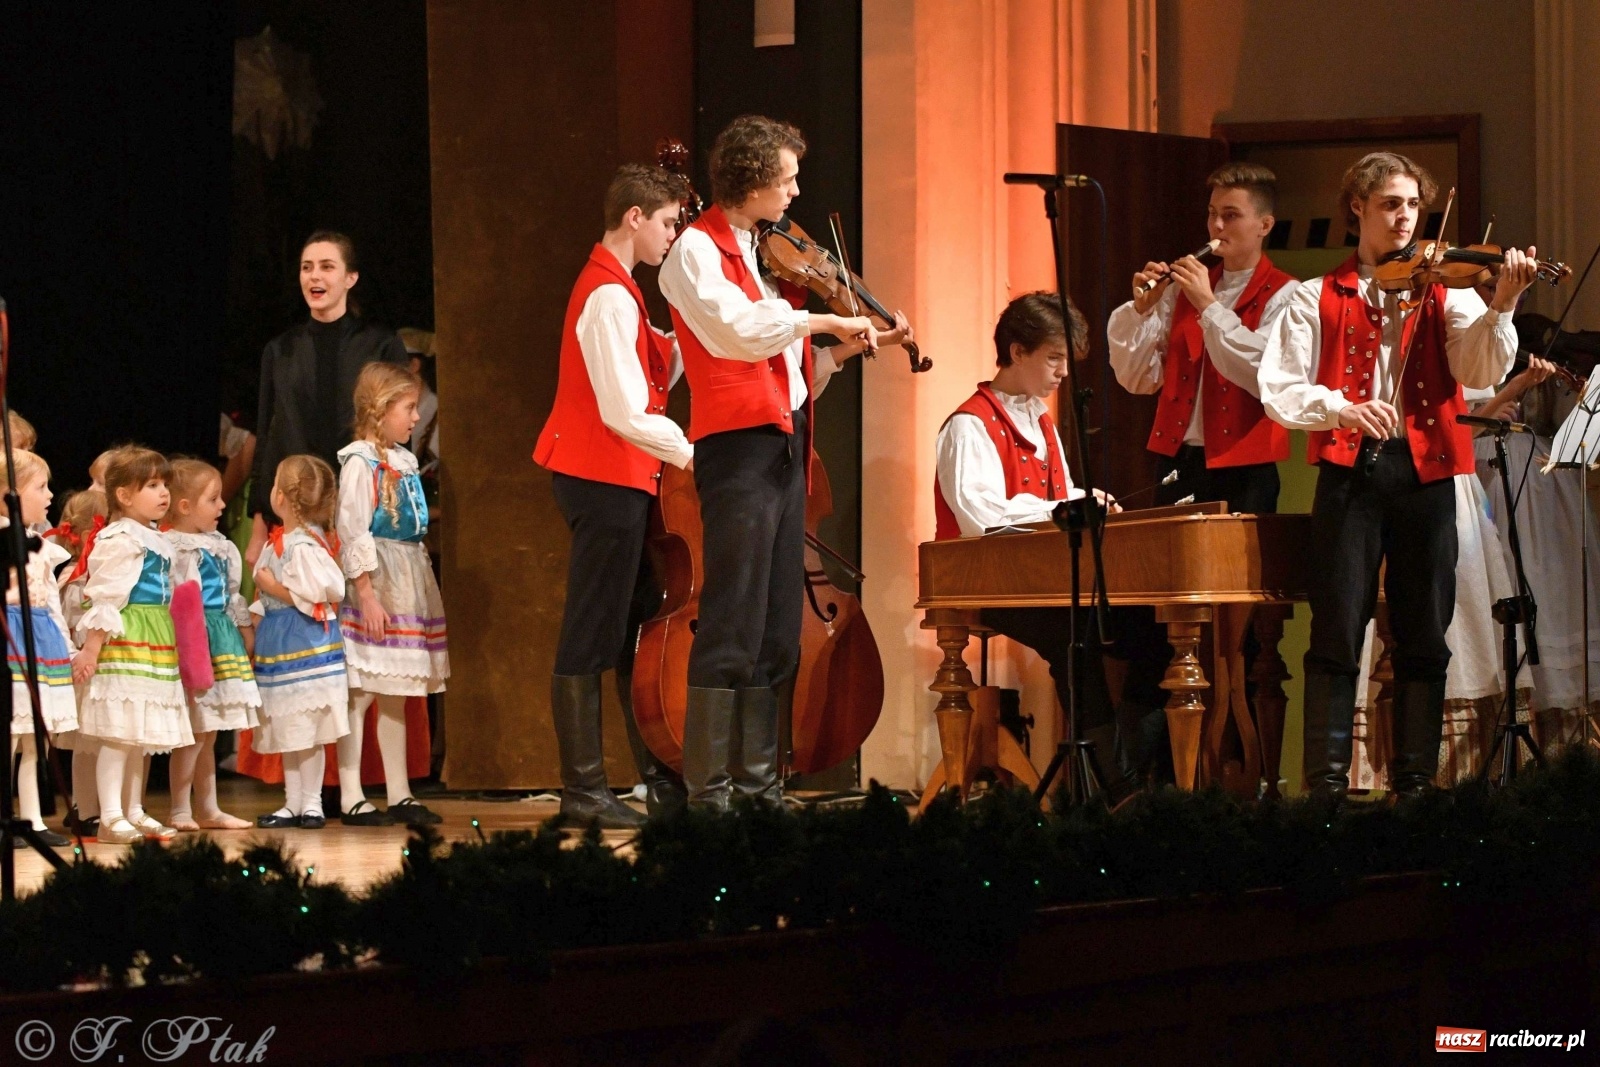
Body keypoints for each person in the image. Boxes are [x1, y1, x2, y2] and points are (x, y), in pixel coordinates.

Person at [1258, 151, 1534, 798]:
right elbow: (1279, 387)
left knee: (1423, 632)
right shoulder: (1312, 296)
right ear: (1357, 208)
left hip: (1429, 471)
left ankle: (1415, 786)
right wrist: (1343, 407)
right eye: (1390, 203)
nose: (1405, 216)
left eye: (1413, 204)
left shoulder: (1451, 289)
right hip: (1350, 472)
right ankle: (1324, 789)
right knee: (1335, 628)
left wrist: (1505, 305)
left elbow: (1479, 372)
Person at [658, 114, 905, 809]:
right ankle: (710, 795)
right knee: (731, 616)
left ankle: (762, 788)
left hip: (785, 441)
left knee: (776, 624)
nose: (795, 192)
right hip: (736, 451)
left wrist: (840, 347)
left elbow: (788, 368)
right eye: (787, 178)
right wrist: (823, 318)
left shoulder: (760, 252)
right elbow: (737, 335)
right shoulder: (695, 254)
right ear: (754, 179)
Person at [935, 292, 1161, 797]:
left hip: (1046, 579)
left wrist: (1086, 499)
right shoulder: (969, 425)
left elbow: (1055, 495)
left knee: (1151, 629)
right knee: (1075, 635)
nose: (1064, 372)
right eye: (1055, 358)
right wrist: (1063, 510)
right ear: (1018, 352)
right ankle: (1117, 786)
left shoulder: (1040, 420)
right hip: (989, 580)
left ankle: (1123, 769)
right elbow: (982, 518)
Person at [533, 162, 694, 825]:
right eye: (665, 223)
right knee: (592, 632)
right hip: (600, 476)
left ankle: (654, 780)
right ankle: (583, 792)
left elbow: (660, 364)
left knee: (627, 629)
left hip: (619, 477)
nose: (671, 236)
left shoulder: (623, 289)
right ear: (634, 217)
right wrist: (694, 455)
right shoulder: (607, 294)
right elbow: (624, 410)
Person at [1107, 162, 1299, 512]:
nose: (1217, 226)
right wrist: (1142, 311)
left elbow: (1266, 375)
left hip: (1244, 467)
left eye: (1231, 215)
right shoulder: (1183, 290)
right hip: (1178, 459)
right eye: (1212, 214)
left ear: (1265, 225)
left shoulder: (1286, 294)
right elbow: (1140, 380)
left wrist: (1208, 305)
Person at [246, 231, 408, 569]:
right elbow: (267, 436)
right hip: (294, 511)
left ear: (351, 277)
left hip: (362, 512)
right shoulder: (281, 350)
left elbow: (398, 434)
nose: (314, 275)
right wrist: (259, 524)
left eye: (326, 266)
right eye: (307, 267)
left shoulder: (380, 344)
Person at [334, 363, 449, 827]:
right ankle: (350, 794)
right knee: (361, 691)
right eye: (408, 408)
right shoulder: (361, 462)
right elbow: (352, 528)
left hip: (406, 576)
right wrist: (366, 594)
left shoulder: (401, 459)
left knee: (397, 692)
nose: (416, 417)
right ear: (380, 411)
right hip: (377, 580)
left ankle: (399, 792)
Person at [69, 447, 191, 843]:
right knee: (118, 731)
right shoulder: (120, 537)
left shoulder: (152, 536)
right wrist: (91, 648)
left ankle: (134, 810)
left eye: (164, 485)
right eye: (152, 485)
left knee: (137, 735)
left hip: (153, 637)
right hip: (125, 637)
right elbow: (105, 596)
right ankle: (108, 816)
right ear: (123, 495)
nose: (163, 493)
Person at [250, 455, 350, 830]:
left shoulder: (304, 545)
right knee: (290, 728)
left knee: (307, 728)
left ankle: (312, 802)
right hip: (280, 640)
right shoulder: (282, 541)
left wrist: (276, 588)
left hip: (304, 641)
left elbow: (327, 591)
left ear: (282, 498)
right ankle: (293, 802)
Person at [163, 458, 260, 831]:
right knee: (194, 730)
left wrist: (244, 630)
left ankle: (208, 807)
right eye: (214, 499)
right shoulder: (175, 547)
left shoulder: (220, 546)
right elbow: (178, 599)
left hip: (221, 638)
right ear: (185, 507)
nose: (223, 506)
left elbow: (233, 595)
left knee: (211, 729)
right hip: (194, 641)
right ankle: (179, 809)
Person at [5, 450, 76, 847]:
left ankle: (32, 820)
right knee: (10, 736)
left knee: (34, 739)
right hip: (12, 637)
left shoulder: (41, 546)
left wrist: (68, 652)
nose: (50, 495)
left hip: (41, 639)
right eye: (40, 487)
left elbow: (51, 602)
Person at [47, 487, 107, 837]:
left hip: (97, 666)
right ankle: (85, 809)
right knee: (86, 743)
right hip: (84, 667)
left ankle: (94, 807)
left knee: (96, 742)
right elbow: (70, 622)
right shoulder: (76, 576)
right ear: (90, 535)